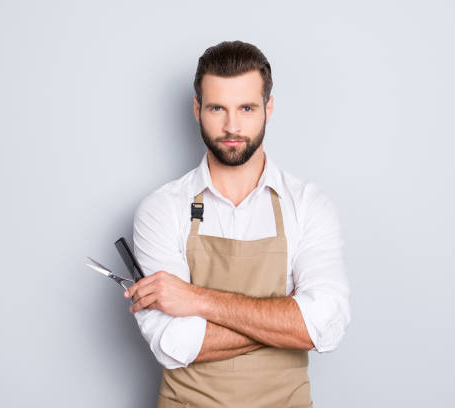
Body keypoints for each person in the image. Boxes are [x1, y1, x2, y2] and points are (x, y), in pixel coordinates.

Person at [123, 40, 351, 408]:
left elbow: (325, 325)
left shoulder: (308, 204)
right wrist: (286, 319)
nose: (232, 126)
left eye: (246, 108)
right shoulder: (161, 209)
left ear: (268, 108)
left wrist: (196, 299)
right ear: (197, 110)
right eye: (217, 108)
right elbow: (175, 343)